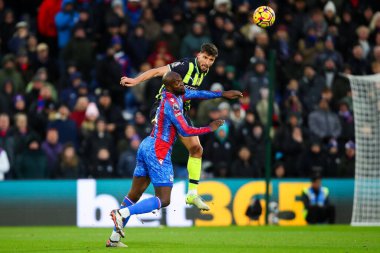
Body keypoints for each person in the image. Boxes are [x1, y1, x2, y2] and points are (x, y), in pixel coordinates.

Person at [107, 71, 242, 247]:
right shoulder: (171, 104)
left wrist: (223, 94)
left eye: (181, 81)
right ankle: (122, 213)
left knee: (134, 194)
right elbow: (185, 130)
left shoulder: (179, 93)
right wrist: (210, 127)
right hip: (158, 150)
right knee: (164, 199)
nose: (181, 84)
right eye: (178, 83)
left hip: (147, 144)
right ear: (168, 86)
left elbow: (200, 94)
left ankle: (114, 239)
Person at [120, 43, 219, 210]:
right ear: (198, 55)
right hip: (162, 107)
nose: (207, 62)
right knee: (162, 138)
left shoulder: (204, 71)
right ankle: (152, 165)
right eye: (205, 57)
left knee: (196, 149)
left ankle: (192, 194)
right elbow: (158, 71)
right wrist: (135, 80)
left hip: (181, 111)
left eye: (211, 60)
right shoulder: (185, 65)